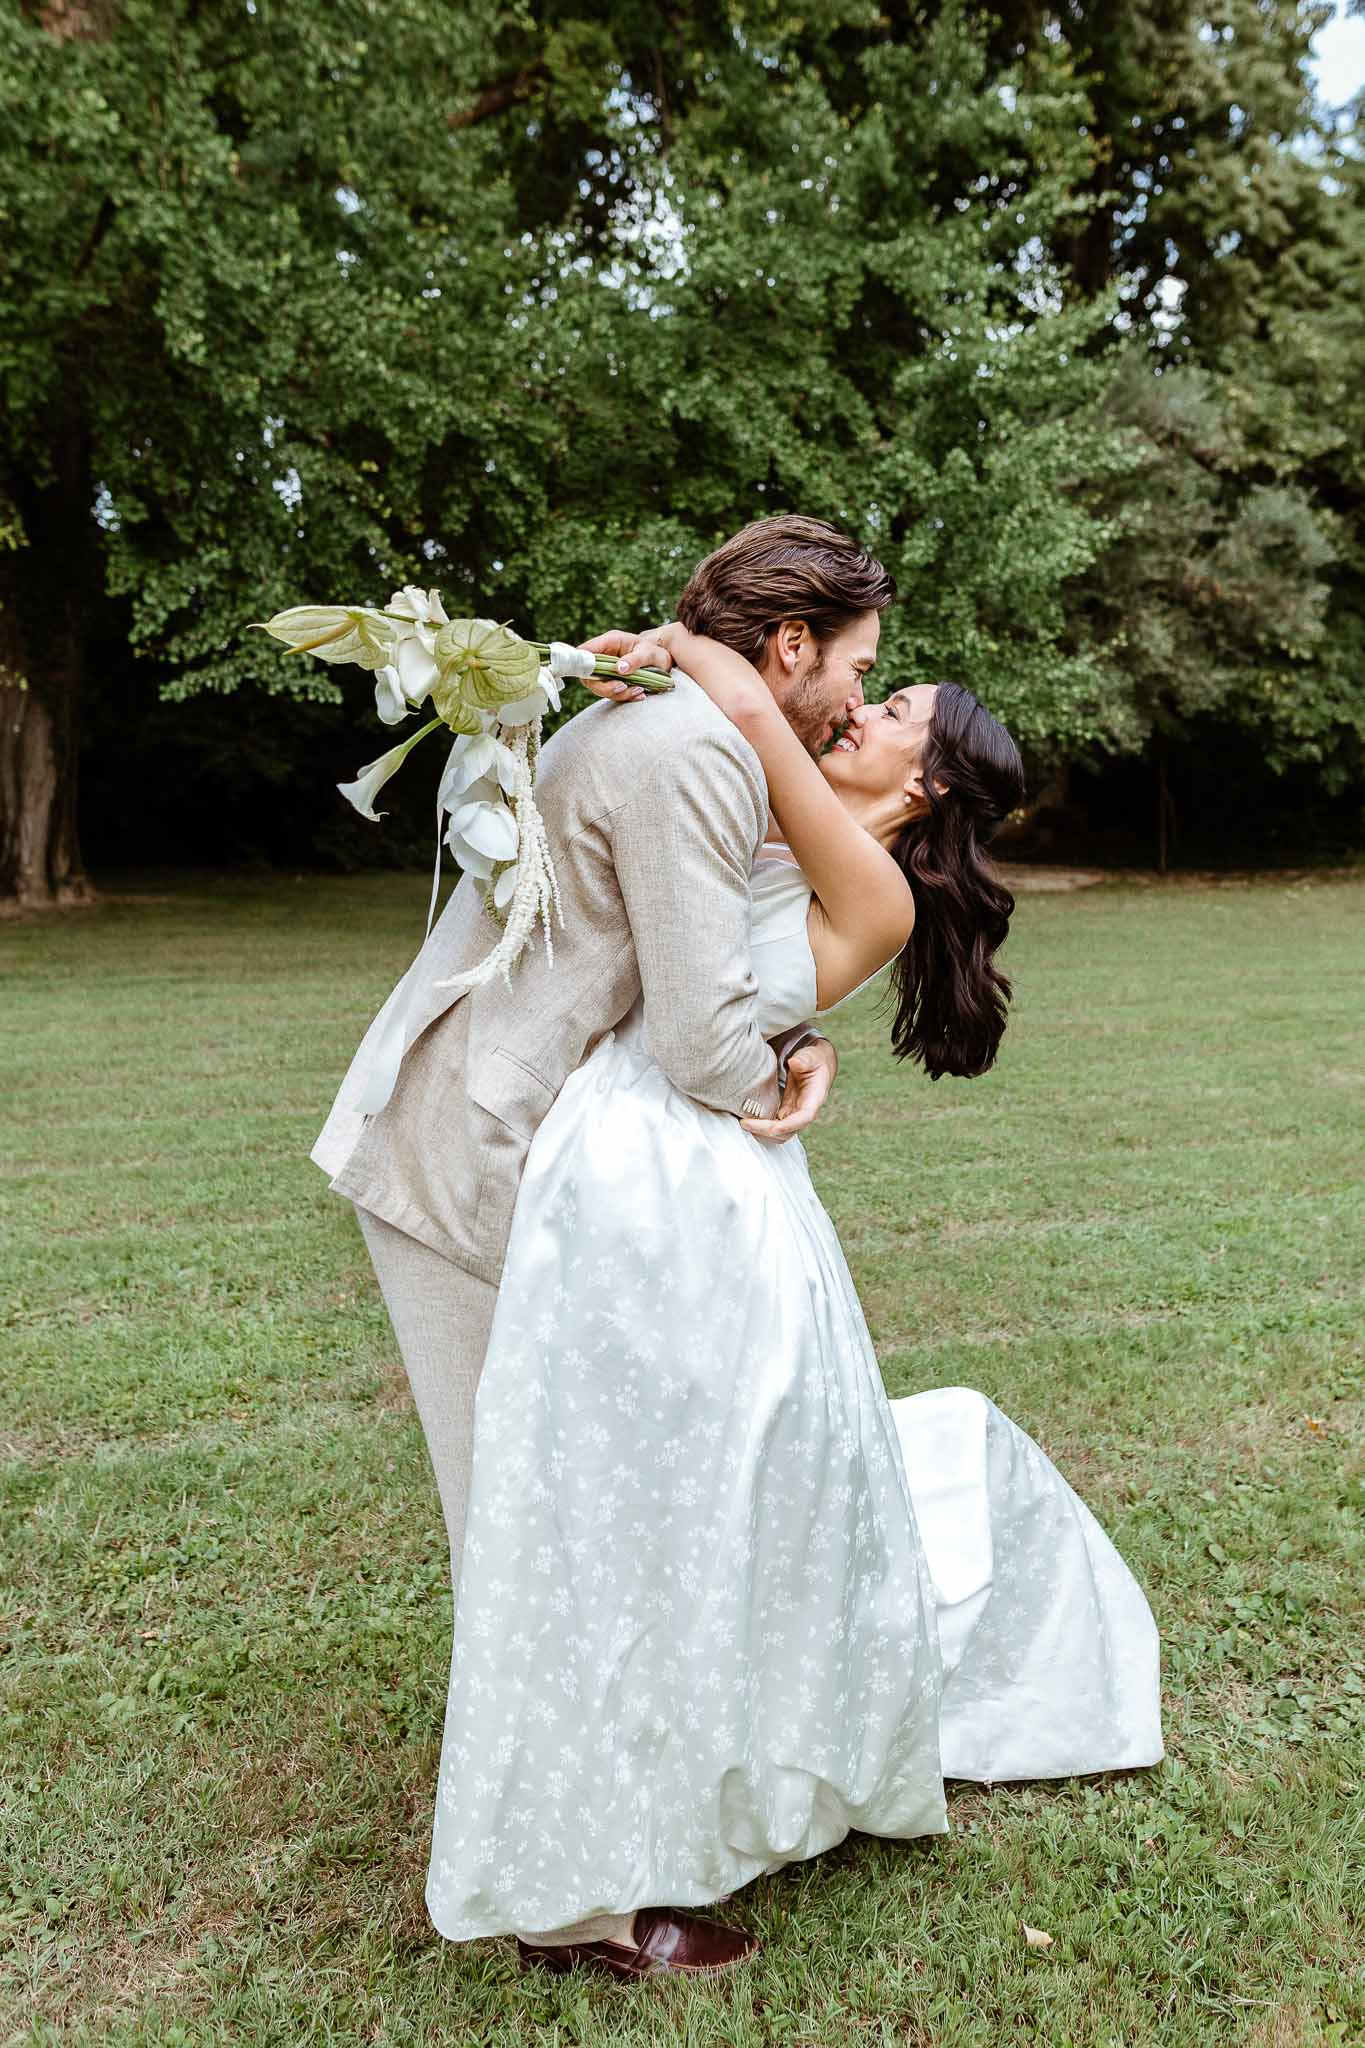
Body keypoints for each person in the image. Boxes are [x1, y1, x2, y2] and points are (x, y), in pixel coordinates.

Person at [409, 610, 1164, 1972]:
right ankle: (614, 1808)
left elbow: (757, 747)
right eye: (870, 684)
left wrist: (701, 651)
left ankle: (678, 1793)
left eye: (889, 709)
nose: (858, 712)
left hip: (704, 1187)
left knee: (712, 1489)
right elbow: (694, 907)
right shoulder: (781, 814)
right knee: (632, 1495)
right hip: (618, 1166)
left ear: (924, 785)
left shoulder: (872, 887)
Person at [312, 515, 894, 1975]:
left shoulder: (657, 724)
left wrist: (788, 1032)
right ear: (788, 645)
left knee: (558, 1515)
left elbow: (679, 966)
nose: (852, 700)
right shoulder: (690, 748)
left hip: (506, 1146)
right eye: (857, 668)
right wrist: (782, 1078)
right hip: (465, 1155)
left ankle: (596, 1817)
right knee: (521, 1530)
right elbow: (701, 1039)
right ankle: (568, 1907)